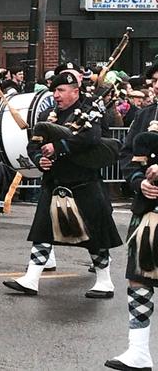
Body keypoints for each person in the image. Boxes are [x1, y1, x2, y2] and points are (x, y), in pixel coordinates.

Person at [3, 63, 122, 299]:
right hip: (55, 181)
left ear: (75, 91)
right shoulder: (49, 115)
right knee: (43, 232)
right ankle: (32, 278)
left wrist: (58, 147)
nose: (56, 95)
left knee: (94, 235)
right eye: (54, 91)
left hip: (83, 181)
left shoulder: (90, 112)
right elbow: (34, 143)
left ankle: (105, 281)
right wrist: (39, 159)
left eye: (61, 91)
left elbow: (92, 138)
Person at [106, 116, 158, 370]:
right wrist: (140, 182)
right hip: (149, 211)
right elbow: (128, 154)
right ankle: (138, 352)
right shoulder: (147, 114)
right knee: (139, 277)